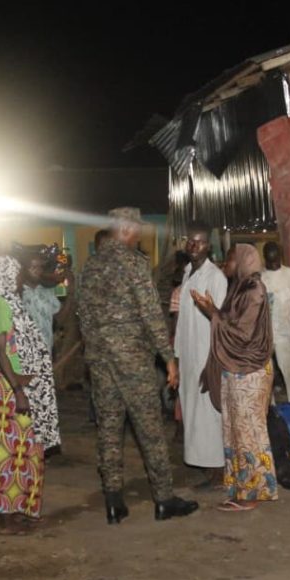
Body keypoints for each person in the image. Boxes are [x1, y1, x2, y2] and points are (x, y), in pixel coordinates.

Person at [78, 207, 199, 524]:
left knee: (109, 431)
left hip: (100, 362)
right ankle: (164, 499)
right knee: (150, 430)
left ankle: (113, 501)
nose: (140, 235)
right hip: (132, 360)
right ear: (127, 228)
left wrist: (95, 351)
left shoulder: (91, 265)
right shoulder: (134, 263)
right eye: (138, 229)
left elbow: (84, 316)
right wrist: (168, 357)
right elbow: (151, 314)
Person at [192, 244, 278, 511]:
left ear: (242, 261)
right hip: (236, 368)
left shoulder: (254, 290)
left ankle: (252, 493)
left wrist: (212, 313)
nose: (225, 264)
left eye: (230, 259)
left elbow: (243, 334)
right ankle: (240, 487)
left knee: (249, 433)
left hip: (250, 370)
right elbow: (229, 324)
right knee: (235, 432)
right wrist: (214, 312)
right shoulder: (239, 288)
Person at [0, 255, 61, 535]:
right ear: (5, 275)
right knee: (7, 453)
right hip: (9, 390)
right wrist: (18, 388)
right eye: (16, 273)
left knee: (29, 451)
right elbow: (0, 351)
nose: (19, 278)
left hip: (24, 386)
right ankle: (6, 517)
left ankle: (25, 508)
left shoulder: (13, 302)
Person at [175, 222, 228, 485]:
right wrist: (176, 354)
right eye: (190, 240)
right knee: (192, 410)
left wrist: (214, 360)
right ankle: (204, 463)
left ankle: (218, 469)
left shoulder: (215, 277)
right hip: (187, 354)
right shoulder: (187, 273)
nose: (193, 245)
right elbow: (182, 320)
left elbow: (221, 320)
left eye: (200, 241)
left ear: (209, 246)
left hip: (206, 355)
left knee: (209, 413)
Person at [260, 242, 290, 404]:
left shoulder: (289, 274)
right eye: (271, 262)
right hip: (264, 335)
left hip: (285, 333)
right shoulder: (260, 277)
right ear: (265, 259)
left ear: (280, 257)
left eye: (276, 261)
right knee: (266, 374)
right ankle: (270, 407)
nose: (274, 265)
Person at [21, 246, 62, 353]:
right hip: (25, 352)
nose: (38, 270)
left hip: (46, 349)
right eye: (33, 267)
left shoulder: (47, 292)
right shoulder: (18, 294)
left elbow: (59, 316)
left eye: (40, 267)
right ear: (23, 269)